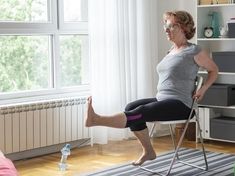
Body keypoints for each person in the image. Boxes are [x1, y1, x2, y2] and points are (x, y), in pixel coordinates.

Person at [85, 10, 218, 166]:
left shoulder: (193, 51)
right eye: (165, 25)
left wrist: (203, 89)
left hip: (182, 105)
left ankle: (97, 119)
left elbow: (213, 70)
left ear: (183, 28)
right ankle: (148, 151)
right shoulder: (171, 51)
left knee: (139, 112)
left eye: (170, 26)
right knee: (131, 107)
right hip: (162, 99)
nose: (165, 29)